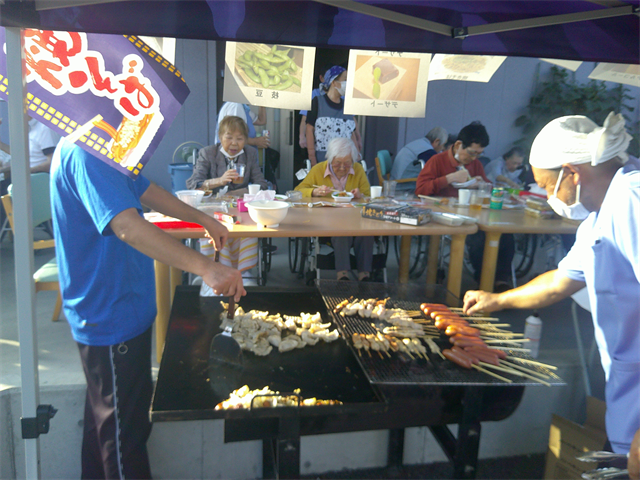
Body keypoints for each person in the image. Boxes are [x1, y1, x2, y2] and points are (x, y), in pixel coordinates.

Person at [50, 138, 246, 479]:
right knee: (124, 437)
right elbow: (127, 226)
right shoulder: (85, 150)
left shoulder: (104, 148)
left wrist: (203, 219)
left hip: (126, 305)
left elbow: (146, 190)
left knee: (107, 424)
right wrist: (207, 268)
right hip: (109, 312)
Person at [463, 112, 639, 470]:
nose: (546, 196)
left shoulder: (632, 200)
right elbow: (560, 281)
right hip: (627, 405)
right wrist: (497, 299)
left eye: (546, 186)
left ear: (571, 172)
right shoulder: (598, 217)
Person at [187, 115, 268, 281]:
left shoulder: (250, 153)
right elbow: (193, 185)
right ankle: (214, 270)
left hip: (240, 209)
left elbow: (261, 183)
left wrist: (239, 193)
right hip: (213, 209)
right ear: (220, 137)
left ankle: (243, 272)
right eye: (229, 137)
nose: (234, 143)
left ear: (245, 140)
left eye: (239, 139)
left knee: (250, 225)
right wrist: (219, 181)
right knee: (214, 226)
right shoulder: (208, 153)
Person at [295, 137, 373, 281]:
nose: (342, 168)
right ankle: (342, 276)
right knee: (341, 231)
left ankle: (365, 276)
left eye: (347, 163)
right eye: (337, 163)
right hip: (328, 222)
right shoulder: (318, 170)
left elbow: (368, 196)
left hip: (355, 219)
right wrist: (314, 192)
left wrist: (359, 195)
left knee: (366, 232)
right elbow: (298, 190)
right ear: (330, 159)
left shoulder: (358, 169)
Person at [415, 121, 490, 197]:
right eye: (472, 153)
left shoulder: (476, 164)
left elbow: (491, 189)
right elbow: (420, 190)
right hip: (439, 206)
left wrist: (482, 185)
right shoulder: (437, 160)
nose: (474, 158)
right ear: (458, 145)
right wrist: (449, 178)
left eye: (479, 154)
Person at [305, 66, 358, 165]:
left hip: (345, 164)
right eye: (345, 80)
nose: (348, 84)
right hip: (322, 161)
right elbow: (309, 129)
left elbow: (352, 133)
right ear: (333, 82)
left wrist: (356, 156)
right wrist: (312, 157)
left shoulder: (347, 105)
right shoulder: (317, 102)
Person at [390, 126, 448, 193]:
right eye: (443, 145)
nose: (443, 149)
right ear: (437, 141)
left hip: (395, 183)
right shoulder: (427, 151)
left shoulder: (420, 144)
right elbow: (439, 172)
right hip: (404, 187)